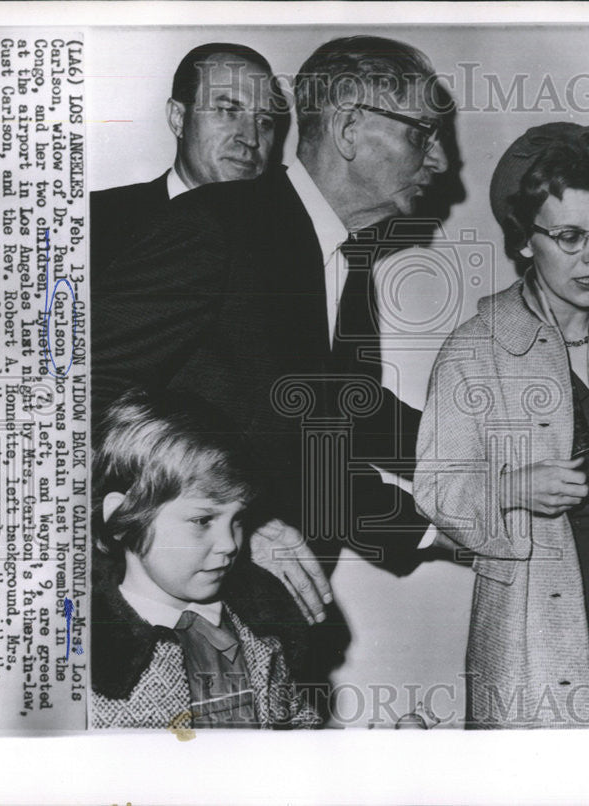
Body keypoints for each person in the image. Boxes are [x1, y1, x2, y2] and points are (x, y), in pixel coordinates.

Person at [92, 36, 450, 652]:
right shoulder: (218, 224)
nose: (440, 161)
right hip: (146, 620)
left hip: (264, 619)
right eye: (422, 133)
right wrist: (226, 523)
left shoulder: (342, 260)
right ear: (348, 129)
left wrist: (477, 475)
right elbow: (84, 393)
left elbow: (331, 431)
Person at [414, 122, 589, 728]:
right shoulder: (475, 349)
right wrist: (512, 487)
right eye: (568, 236)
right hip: (528, 634)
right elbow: (434, 491)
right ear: (523, 241)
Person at [90, 388, 320, 729]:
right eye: (202, 521)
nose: (229, 544)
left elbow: (297, 728)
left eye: (238, 519)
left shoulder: (260, 629)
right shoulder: (83, 665)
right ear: (123, 520)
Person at [90, 43, 289, 274]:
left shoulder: (287, 235)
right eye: (228, 110)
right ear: (178, 118)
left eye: (264, 121)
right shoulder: (94, 222)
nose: (251, 138)